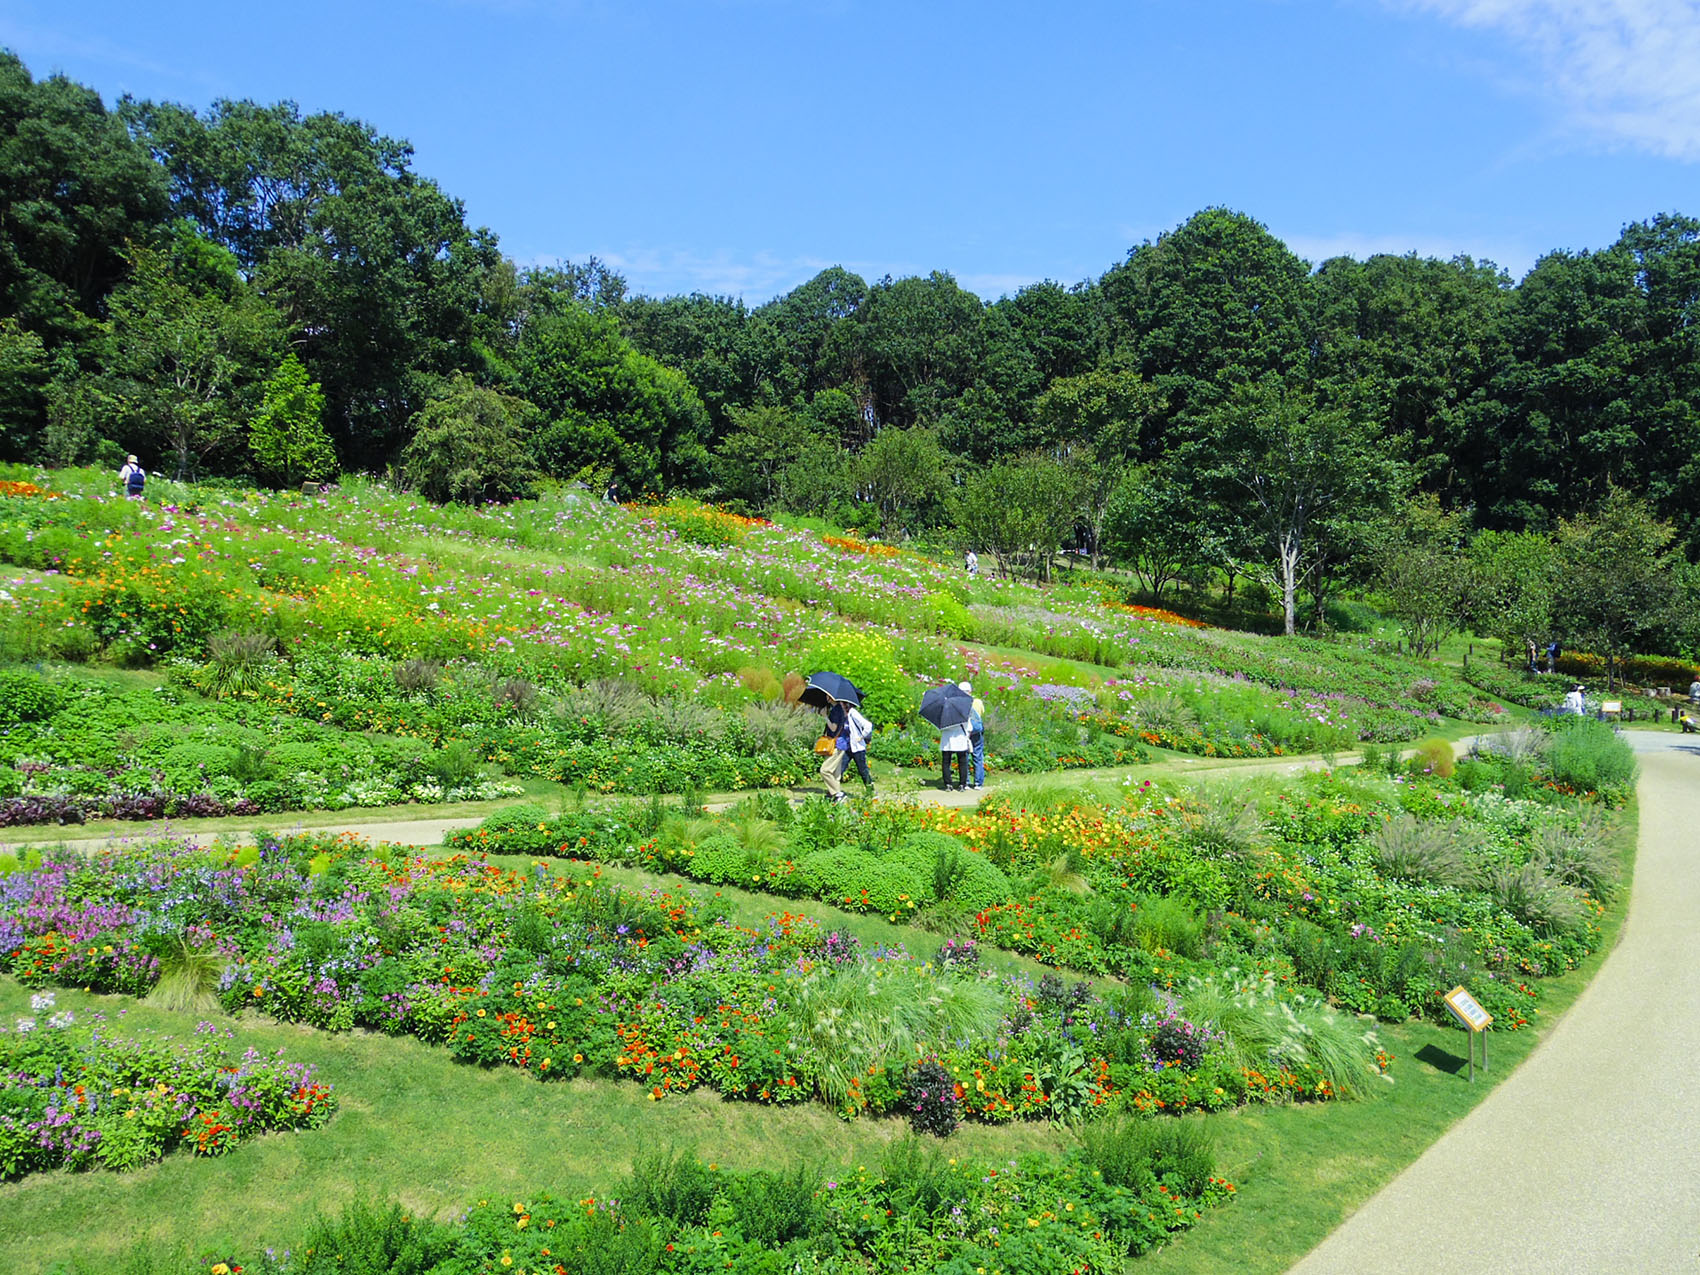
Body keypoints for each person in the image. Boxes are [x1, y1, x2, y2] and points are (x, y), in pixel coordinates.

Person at [819, 700, 850, 799]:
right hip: (841, 744)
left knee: (825, 770)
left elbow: (833, 728)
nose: (826, 697)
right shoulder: (838, 709)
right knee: (836, 775)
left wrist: (825, 716)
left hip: (836, 744)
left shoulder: (836, 711)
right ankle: (837, 798)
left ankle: (837, 794)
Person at [959, 679, 986, 789]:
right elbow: (981, 713)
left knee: (965, 757)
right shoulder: (977, 702)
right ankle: (978, 783)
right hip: (977, 731)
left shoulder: (958, 703)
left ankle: (965, 782)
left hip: (965, 731)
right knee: (978, 756)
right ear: (970, 691)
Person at [939, 714, 970, 791]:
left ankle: (948, 784)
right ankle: (962, 784)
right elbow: (969, 727)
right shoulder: (963, 713)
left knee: (946, 762)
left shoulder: (943, 714)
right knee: (962, 762)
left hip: (947, 739)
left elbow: (940, 727)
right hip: (960, 738)